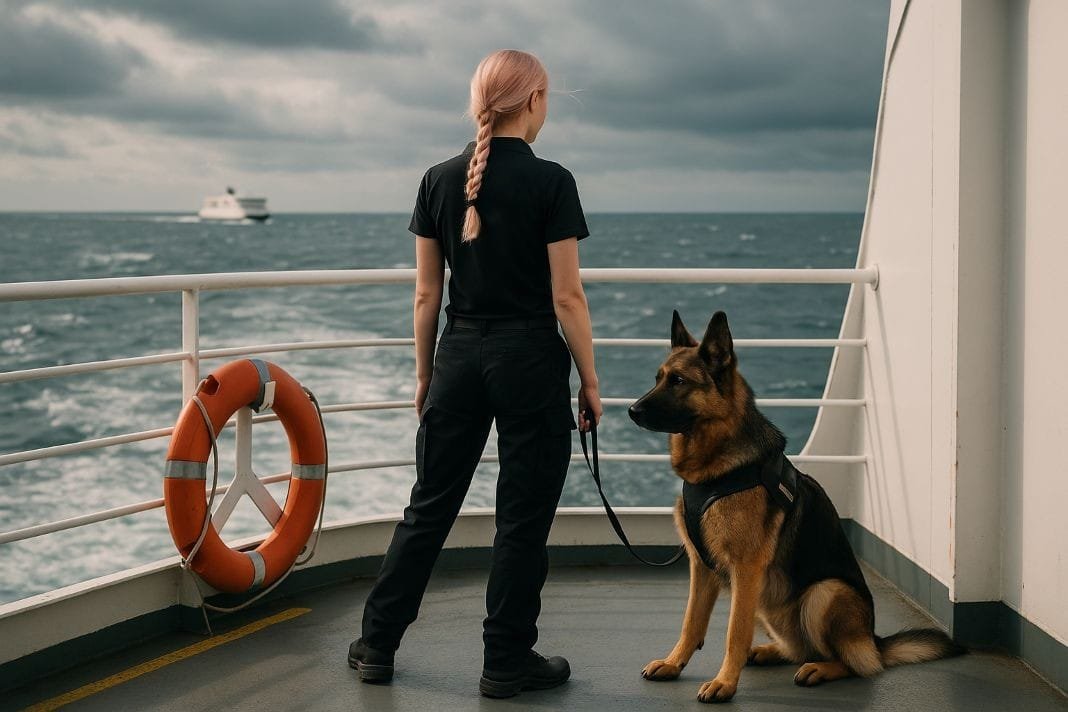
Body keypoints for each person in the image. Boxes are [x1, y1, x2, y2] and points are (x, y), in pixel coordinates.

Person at [348, 49, 602, 698]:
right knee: (520, 519)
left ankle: (377, 645)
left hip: (458, 358)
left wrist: (424, 374)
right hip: (528, 363)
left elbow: (425, 297)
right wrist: (591, 382)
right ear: (536, 100)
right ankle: (505, 661)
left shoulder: (438, 179)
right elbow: (567, 298)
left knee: (429, 506)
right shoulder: (552, 182)